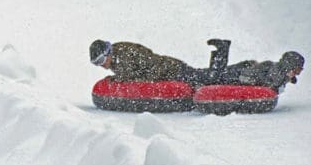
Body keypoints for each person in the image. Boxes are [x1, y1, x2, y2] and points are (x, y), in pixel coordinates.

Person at [90, 39, 304, 91]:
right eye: (97, 63)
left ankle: (223, 53)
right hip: (171, 70)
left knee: (211, 81)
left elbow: (148, 67)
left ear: (108, 52)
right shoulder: (121, 56)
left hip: (173, 71)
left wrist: (121, 79)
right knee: (211, 78)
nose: (102, 66)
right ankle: (237, 61)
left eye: (101, 61)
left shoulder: (125, 54)